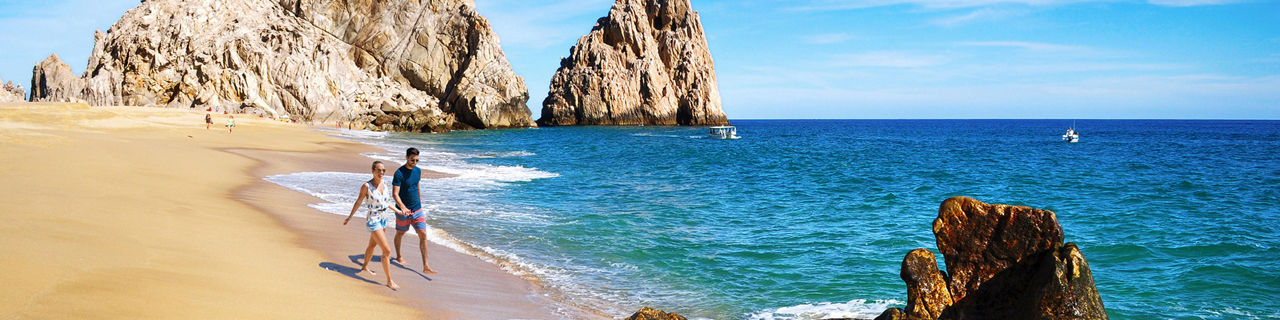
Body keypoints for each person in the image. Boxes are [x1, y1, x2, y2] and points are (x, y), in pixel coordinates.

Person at [343, 161, 401, 290]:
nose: (381, 173)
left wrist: (399, 211)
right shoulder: (366, 186)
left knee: (372, 245)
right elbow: (358, 202)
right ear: (373, 171)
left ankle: (364, 266)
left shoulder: (385, 184)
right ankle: (389, 280)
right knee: (386, 250)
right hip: (373, 219)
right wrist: (350, 217)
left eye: (383, 170)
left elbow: (387, 202)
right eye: (379, 170)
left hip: (384, 218)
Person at [392, 147, 437, 274]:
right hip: (402, 211)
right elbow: (395, 194)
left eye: (417, 160)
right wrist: (402, 207)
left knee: (423, 234)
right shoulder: (399, 173)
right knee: (400, 233)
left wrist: (420, 204)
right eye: (412, 160)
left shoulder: (418, 171)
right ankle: (399, 256)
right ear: (406, 157)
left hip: (417, 209)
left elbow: (417, 186)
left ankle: (426, 266)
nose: (415, 162)